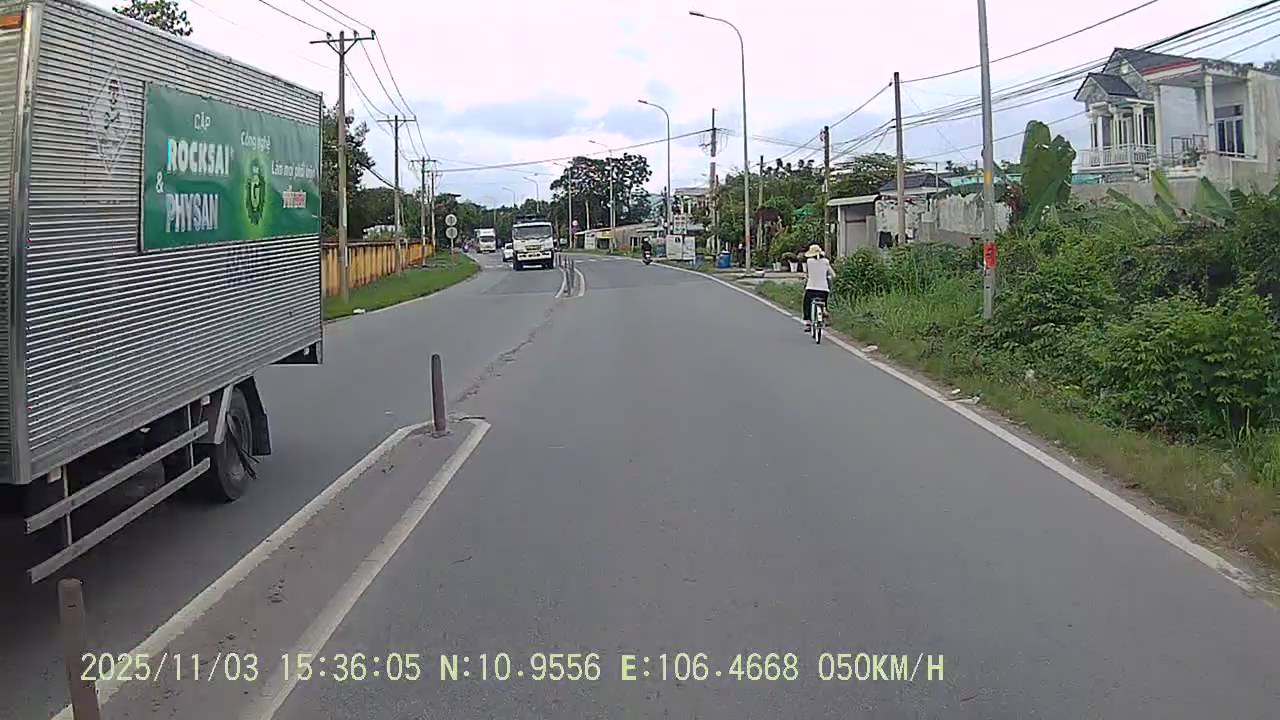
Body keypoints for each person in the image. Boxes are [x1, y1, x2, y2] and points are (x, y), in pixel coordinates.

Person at [802, 244, 833, 332]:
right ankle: (824, 310)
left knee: (807, 304)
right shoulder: (826, 262)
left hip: (811, 288)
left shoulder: (809, 262)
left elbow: (807, 275)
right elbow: (832, 274)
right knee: (823, 301)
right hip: (824, 289)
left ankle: (808, 322)